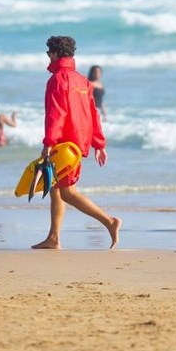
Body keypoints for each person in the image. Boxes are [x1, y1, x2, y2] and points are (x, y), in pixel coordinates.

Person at [32, 36, 121, 250]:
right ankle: (53, 238)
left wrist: (49, 142)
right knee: (55, 186)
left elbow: (56, 114)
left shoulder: (57, 79)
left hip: (64, 143)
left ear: (55, 53)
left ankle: (109, 221)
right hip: (77, 141)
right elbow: (93, 114)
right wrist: (99, 143)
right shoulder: (82, 81)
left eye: (48, 53)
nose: (48, 57)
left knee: (67, 192)